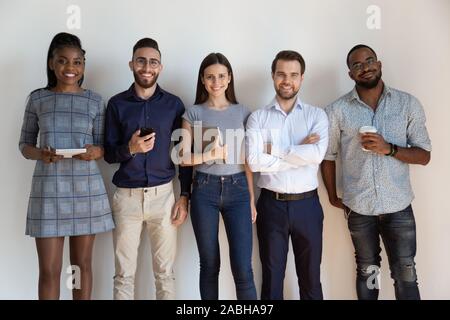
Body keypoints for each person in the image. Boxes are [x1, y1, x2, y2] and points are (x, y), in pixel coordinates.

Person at [321, 44, 432, 300]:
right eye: (357, 65)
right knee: (367, 270)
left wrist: (389, 149)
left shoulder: (407, 104)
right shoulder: (337, 110)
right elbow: (328, 156)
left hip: (399, 206)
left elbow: (424, 155)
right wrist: (332, 196)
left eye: (369, 61)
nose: (365, 68)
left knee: (405, 272)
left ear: (379, 64)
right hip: (359, 207)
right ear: (350, 74)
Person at [18, 32, 115, 300]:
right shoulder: (38, 99)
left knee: (81, 266)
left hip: (86, 191)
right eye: (63, 61)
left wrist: (95, 151)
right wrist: (40, 153)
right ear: (51, 63)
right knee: (49, 271)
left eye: (77, 62)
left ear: (84, 65)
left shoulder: (95, 101)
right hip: (48, 191)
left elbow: (102, 147)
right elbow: (24, 145)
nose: (70, 68)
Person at [104, 38, 192, 300]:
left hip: (163, 197)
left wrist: (184, 195)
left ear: (160, 67)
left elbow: (183, 155)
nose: (146, 67)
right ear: (132, 64)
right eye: (141, 61)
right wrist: (130, 149)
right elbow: (108, 153)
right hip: (126, 199)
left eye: (153, 62)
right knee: (123, 275)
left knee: (165, 273)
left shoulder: (174, 105)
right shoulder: (117, 104)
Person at [246, 50, 329, 300]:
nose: (287, 80)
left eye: (293, 74)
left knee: (311, 278)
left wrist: (274, 151)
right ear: (273, 76)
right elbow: (254, 161)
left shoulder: (316, 116)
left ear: (302, 78)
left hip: (308, 206)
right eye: (281, 74)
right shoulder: (257, 118)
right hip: (271, 206)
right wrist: (298, 150)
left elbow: (316, 155)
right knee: (271, 280)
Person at [176, 52, 257, 300]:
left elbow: (247, 161)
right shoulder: (193, 113)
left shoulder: (243, 112)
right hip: (204, 190)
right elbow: (181, 156)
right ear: (202, 79)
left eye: (221, 76)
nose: (216, 82)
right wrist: (209, 154)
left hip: (239, 189)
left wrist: (252, 199)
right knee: (210, 265)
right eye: (210, 77)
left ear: (229, 78)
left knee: (243, 268)